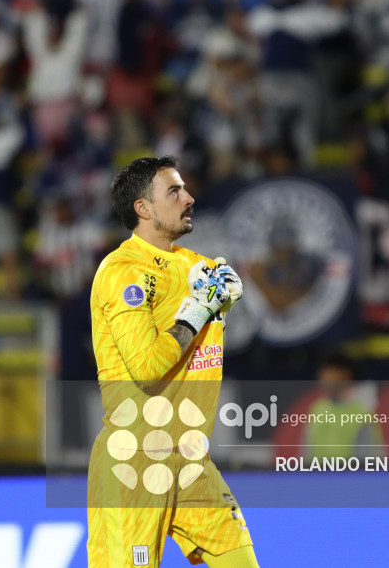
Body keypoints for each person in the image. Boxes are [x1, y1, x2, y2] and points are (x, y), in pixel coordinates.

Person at [87, 156, 259, 567]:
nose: (190, 197)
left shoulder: (195, 266)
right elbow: (147, 366)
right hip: (135, 464)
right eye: (174, 191)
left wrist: (228, 295)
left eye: (185, 188)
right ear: (143, 209)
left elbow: (208, 313)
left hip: (192, 459)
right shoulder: (122, 272)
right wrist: (199, 312)